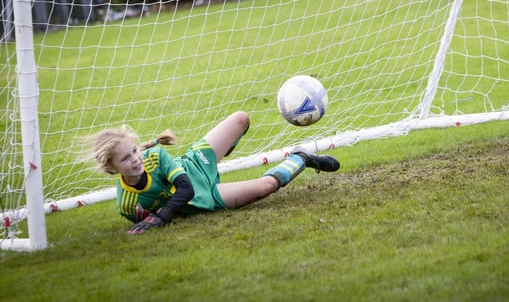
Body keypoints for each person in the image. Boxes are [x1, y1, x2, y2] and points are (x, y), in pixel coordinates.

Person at [88, 111, 340, 235]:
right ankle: (301, 157)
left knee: (241, 118)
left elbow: (183, 187)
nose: (135, 160)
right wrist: (155, 219)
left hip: (194, 166)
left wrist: (162, 216)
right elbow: (182, 200)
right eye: (125, 158)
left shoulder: (154, 156)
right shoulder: (127, 205)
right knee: (266, 187)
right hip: (205, 198)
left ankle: (221, 154)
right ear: (111, 168)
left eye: (134, 151)